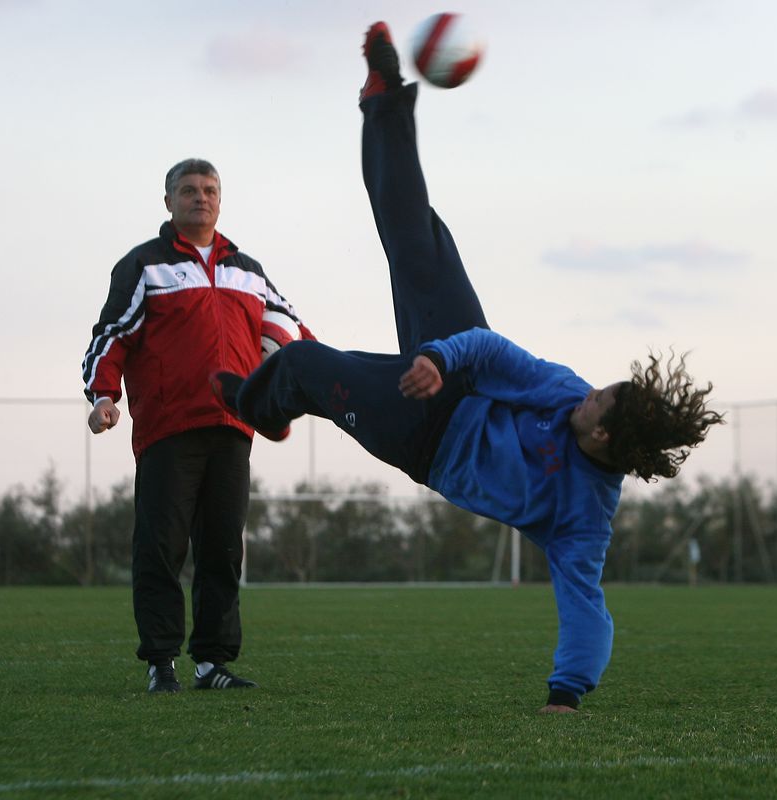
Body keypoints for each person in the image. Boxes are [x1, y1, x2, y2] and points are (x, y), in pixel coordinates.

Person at [210, 23, 725, 713]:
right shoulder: (564, 392)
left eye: (598, 402)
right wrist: (436, 356)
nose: (588, 394)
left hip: (423, 439)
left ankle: (254, 404)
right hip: (453, 369)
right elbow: (491, 350)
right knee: (419, 232)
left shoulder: (583, 517)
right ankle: (386, 98)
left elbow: (587, 611)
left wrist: (566, 694)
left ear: (602, 438)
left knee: (302, 362)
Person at [82, 157, 313, 692]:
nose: (200, 197)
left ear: (220, 198)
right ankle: (160, 662)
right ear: (169, 202)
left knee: (223, 551)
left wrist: (335, 381)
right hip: (168, 429)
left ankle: (212, 664)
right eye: (188, 190)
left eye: (209, 189)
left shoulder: (248, 270)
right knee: (161, 548)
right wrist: (103, 396)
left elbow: (291, 332)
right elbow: (110, 336)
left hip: (234, 428)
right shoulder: (144, 266)